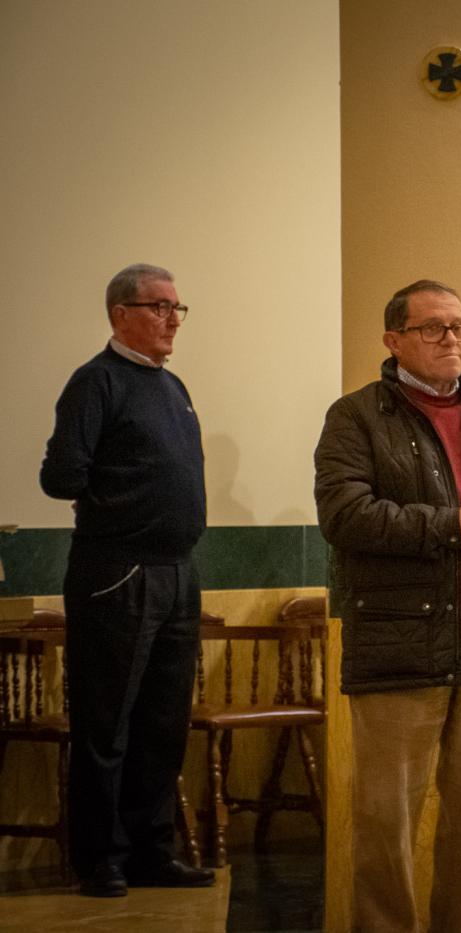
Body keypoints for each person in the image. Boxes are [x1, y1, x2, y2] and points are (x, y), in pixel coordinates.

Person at [314, 279, 461, 932]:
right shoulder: (357, 416)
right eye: (433, 328)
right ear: (394, 340)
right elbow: (345, 514)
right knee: (386, 813)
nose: (451, 338)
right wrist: (452, 527)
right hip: (401, 637)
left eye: (458, 326)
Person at [39, 263, 214, 896]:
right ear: (120, 314)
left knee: (163, 723)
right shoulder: (96, 382)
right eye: (159, 307)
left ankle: (151, 852)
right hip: (117, 572)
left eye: (176, 308)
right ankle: (101, 859)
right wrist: (121, 512)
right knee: (107, 724)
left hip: (178, 572)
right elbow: (60, 476)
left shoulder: (172, 386)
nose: (173, 320)